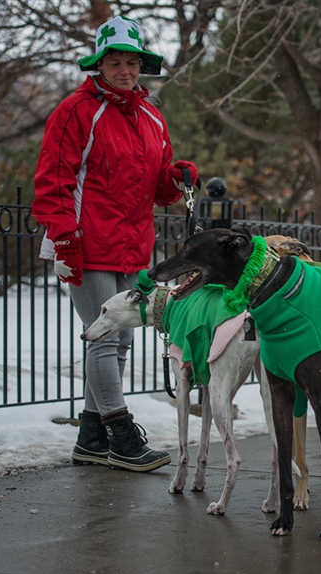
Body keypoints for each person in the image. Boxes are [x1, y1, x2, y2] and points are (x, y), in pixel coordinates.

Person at [32, 15, 198, 472]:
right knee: (104, 339)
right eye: (116, 62)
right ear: (99, 65)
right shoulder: (76, 111)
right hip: (84, 243)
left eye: (132, 62)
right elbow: (54, 181)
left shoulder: (150, 116)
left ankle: (90, 436)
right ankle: (121, 434)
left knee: (121, 338)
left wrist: (177, 176)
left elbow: (158, 192)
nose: (125, 70)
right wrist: (64, 241)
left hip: (132, 244)